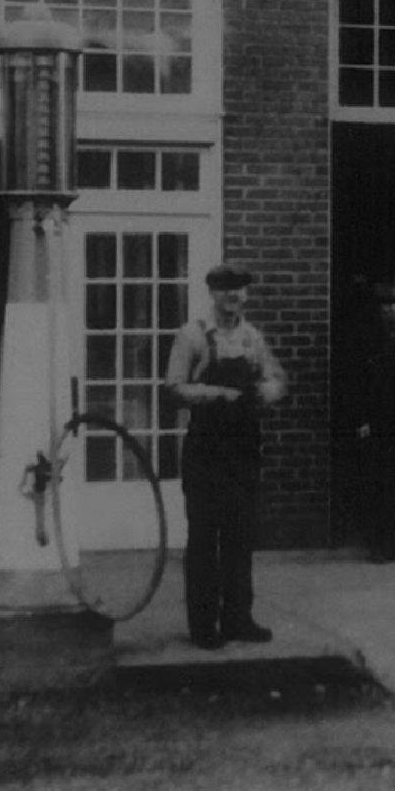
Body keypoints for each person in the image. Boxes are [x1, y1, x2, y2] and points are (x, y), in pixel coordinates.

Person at [164, 263, 287, 647]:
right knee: (204, 537)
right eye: (225, 290)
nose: (233, 297)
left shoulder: (252, 338)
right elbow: (174, 388)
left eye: (240, 290)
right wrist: (218, 393)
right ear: (212, 293)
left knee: (240, 535)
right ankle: (204, 627)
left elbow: (277, 379)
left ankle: (238, 620)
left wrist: (267, 391)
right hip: (206, 449)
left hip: (243, 448)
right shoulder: (194, 335)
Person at [349, 279, 395, 562]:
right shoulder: (364, 341)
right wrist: (361, 419)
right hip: (378, 420)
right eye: (387, 305)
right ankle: (380, 544)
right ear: (377, 309)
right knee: (379, 483)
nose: (392, 310)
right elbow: (356, 383)